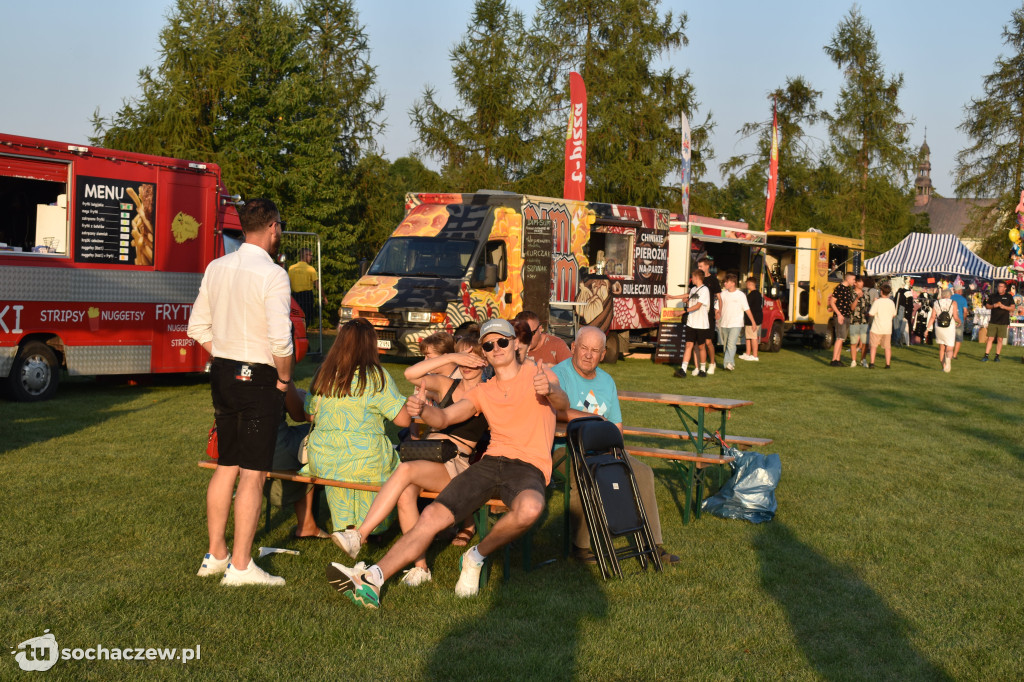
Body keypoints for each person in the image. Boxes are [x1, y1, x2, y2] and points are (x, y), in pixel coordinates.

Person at [326, 318, 570, 609]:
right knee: (430, 518)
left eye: (502, 341)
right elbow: (444, 419)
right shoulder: (483, 391)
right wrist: (424, 411)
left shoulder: (539, 375)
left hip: (528, 467)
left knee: (531, 508)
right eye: (489, 345)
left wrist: (550, 390)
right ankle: (373, 579)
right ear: (485, 352)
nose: (496, 348)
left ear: (515, 343)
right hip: (490, 463)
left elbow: (563, 405)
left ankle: (475, 555)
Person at [188, 198, 294, 586]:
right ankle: (242, 565)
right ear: (272, 228)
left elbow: (197, 327)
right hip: (260, 377)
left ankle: (216, 554)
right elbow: (281, 339)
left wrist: (226, 354)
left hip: (222, 372)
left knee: (226, 465)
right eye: (279, 226)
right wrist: (283, 379)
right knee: (254, 473)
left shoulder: (217, 266)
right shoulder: (273, 274)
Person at [332, 330, 489, 587]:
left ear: (484, 361)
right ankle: (421, 568)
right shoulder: (449, 384)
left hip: (455, 463)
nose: (468, 364)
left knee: (405, 471)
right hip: (428, 455)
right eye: (463, 358)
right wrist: (450, 356)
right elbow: (410, 374)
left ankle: (359, 536)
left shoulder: (487, 393)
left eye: (475, 359)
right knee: (406, 494)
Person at [551, 326, 679, 565]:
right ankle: (581, 547)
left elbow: (616, 426)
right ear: (573, 348)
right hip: (564, 450)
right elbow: (556, 411)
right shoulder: (558, 374)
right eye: (584, 348)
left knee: (642, 472)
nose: (588, 355)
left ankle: (653, 544)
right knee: (584, 475)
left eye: (595, 350)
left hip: (602, 449)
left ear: (603, 354)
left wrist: (616, 452)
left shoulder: (607, 381)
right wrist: (594, 419)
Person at [301, 318, 414, 538]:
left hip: (324, 458)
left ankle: (346, 526)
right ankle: (374, 528)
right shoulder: (376, 376)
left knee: (348, 467)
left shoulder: (323, 373)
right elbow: (403, 420)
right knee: (397, 466)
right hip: (365, 460)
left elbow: (309, 414)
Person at [670, 269, 711, 378]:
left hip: (701, 323)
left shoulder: (705, 290)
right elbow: (688, 296)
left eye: (692, 277)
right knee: (689, 345)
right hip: (691, 322)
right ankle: (683, 369)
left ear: (697, 277)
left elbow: (698, 306)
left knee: (701, 346)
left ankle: (702, 369)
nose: (691, 279)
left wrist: (683, 310)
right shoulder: (693, 289)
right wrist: (672, 297)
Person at [718, 274, 756, 371]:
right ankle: (731, 363)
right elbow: (717, 307)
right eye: (725, 282)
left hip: (736, 324)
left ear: (733, 283)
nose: (725, 283)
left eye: (727, 282)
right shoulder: (722, 294)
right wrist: (716, 314)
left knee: (731, 344)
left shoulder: (741, 295)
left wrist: (753, 322)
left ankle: (727, 364)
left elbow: (747, 309)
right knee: (726, 345)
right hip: (724, 323)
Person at [696, 257, 721, 373]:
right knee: (699, 342)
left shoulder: (713, 280)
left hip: (709, 315)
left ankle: (712, 363)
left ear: (707, 266)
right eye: (698, 266)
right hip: (698, 315)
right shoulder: (697, 279)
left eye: (701, 266)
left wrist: (718, 310)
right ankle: (699, 366)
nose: (699, 268)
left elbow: (719, 298)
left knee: (708, 342)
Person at [925, 289, 959, 373]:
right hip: (949, 326)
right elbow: (955, 316)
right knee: (949, 347)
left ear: (942, 295)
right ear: (950, 295)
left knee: (941, 348)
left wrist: (927, 329)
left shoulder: (936, 303)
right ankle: (948, 362)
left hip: (939, 327)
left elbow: (933, 317)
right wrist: (960, 321)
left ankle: (944, 366)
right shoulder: (953, 303)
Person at [288, 248, 323, 326]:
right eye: (310, 255)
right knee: (306, 317)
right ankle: (304, 332)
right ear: (305, 255)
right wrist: (324, 297)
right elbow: (317, 284)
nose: (311, 257)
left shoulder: (291, 268)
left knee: (295, 316)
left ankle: (296, 333)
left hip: (295, 296)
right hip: (307, 296)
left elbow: (288, 283)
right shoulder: (310, 269)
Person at [828, 272, 856, 366]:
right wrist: (839, 314)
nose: (854, 281)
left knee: (842, 338)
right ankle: (833, 360)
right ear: (848, 279)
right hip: (841, 316)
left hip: (847, 315)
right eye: (853, 279)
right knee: (839, 338)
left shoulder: (848, 289)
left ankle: (838, 359)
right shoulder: (839, 288)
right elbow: (832, 302)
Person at [983, 280, 1014, 362]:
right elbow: (987, 306)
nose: (999, 288)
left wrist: (1004, 307)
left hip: (1003, 321)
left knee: (1000, 339)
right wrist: (994, 305)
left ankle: (997, 356)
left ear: (1005, 288)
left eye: (1001, 286)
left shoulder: (1009, 296)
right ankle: (986, 355)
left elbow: (1013, 308)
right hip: (993, 320)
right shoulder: (993, 296)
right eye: (998, 286)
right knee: (990, 338)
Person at [867, 283, 897, 369]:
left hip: (877, 327)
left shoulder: (877, 302)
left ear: (881, 292)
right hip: (887, 328)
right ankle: (888, 364)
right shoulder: (891, 302)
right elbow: (894, 314)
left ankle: (872, 363)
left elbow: (871, 313)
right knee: (887, 347)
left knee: (873, 346)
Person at [848, 276, 870, 368]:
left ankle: (863, 360)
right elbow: (852, 308)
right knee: (854, 342)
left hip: (864, 321)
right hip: (854, 321)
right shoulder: (851, 294)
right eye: (860, 282)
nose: (862, 284)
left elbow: (868, 307)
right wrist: (857, 298)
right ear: (855, 283)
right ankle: (853, 361)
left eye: (862, 282)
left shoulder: (866, 294)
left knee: (865, 342)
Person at [739, 277, 762, 362]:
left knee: (753, 337)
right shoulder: (758, 294)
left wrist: (753, 322)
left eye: (747, 283)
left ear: (750, 284)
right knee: (748, 337)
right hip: (754, 319)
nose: (746, 285)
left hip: (753, 320)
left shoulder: (752, 295)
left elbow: (747, 307)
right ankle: (748, 353)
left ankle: (755, 355)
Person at [950, 284, 970, 360]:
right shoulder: (963, 299)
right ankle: (954, 355)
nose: (962, 291)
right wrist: (963, 319)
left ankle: (948, 352)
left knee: (950, 338)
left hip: (950, 320)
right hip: (959, 320)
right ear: (959, 290)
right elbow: (965, 311)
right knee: (958, 339)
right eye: (961, 290)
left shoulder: (950, 297)